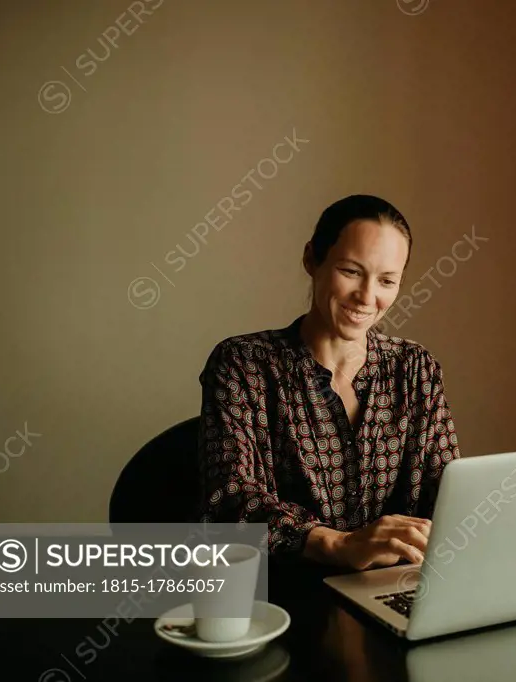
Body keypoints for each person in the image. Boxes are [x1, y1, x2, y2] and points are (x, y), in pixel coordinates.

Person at [197, 195, 461, 571]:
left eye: (387, 280)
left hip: (392, 588)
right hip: (281, 596)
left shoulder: (415, 368)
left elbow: (445, 497)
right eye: (351, 271)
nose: (367, 297)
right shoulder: (244, 363)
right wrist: (338, 544)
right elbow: (228, 502)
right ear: (311, 259)